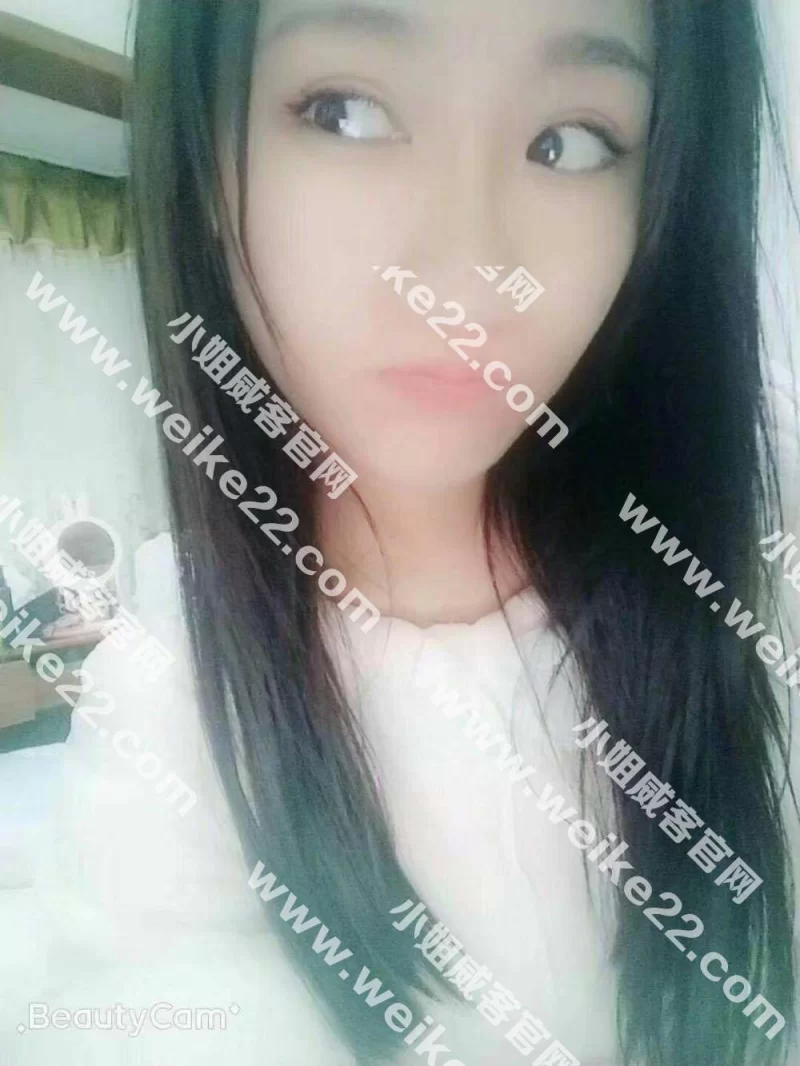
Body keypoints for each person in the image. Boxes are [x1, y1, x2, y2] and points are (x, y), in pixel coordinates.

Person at [3, 0, 799, 1063]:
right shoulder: (172, 697)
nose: (464, 269)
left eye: (568, 141)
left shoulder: (744, 579)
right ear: (206, 166)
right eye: (344, 112)